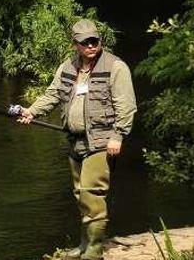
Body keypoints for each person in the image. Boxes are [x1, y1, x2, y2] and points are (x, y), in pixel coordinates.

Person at [17, 19, 137, 260]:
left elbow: (127, 106)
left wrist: (118, 135)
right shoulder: (68, 67)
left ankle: (94, 250)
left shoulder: (116, 67)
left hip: (102, 141)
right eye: (86, 42)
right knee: (80, 193)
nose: (92, 45)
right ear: (75, 44)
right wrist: (32, 111)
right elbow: (52, 94)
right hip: (75, 141)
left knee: (91, 193)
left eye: (95, 40)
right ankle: (84, 244)